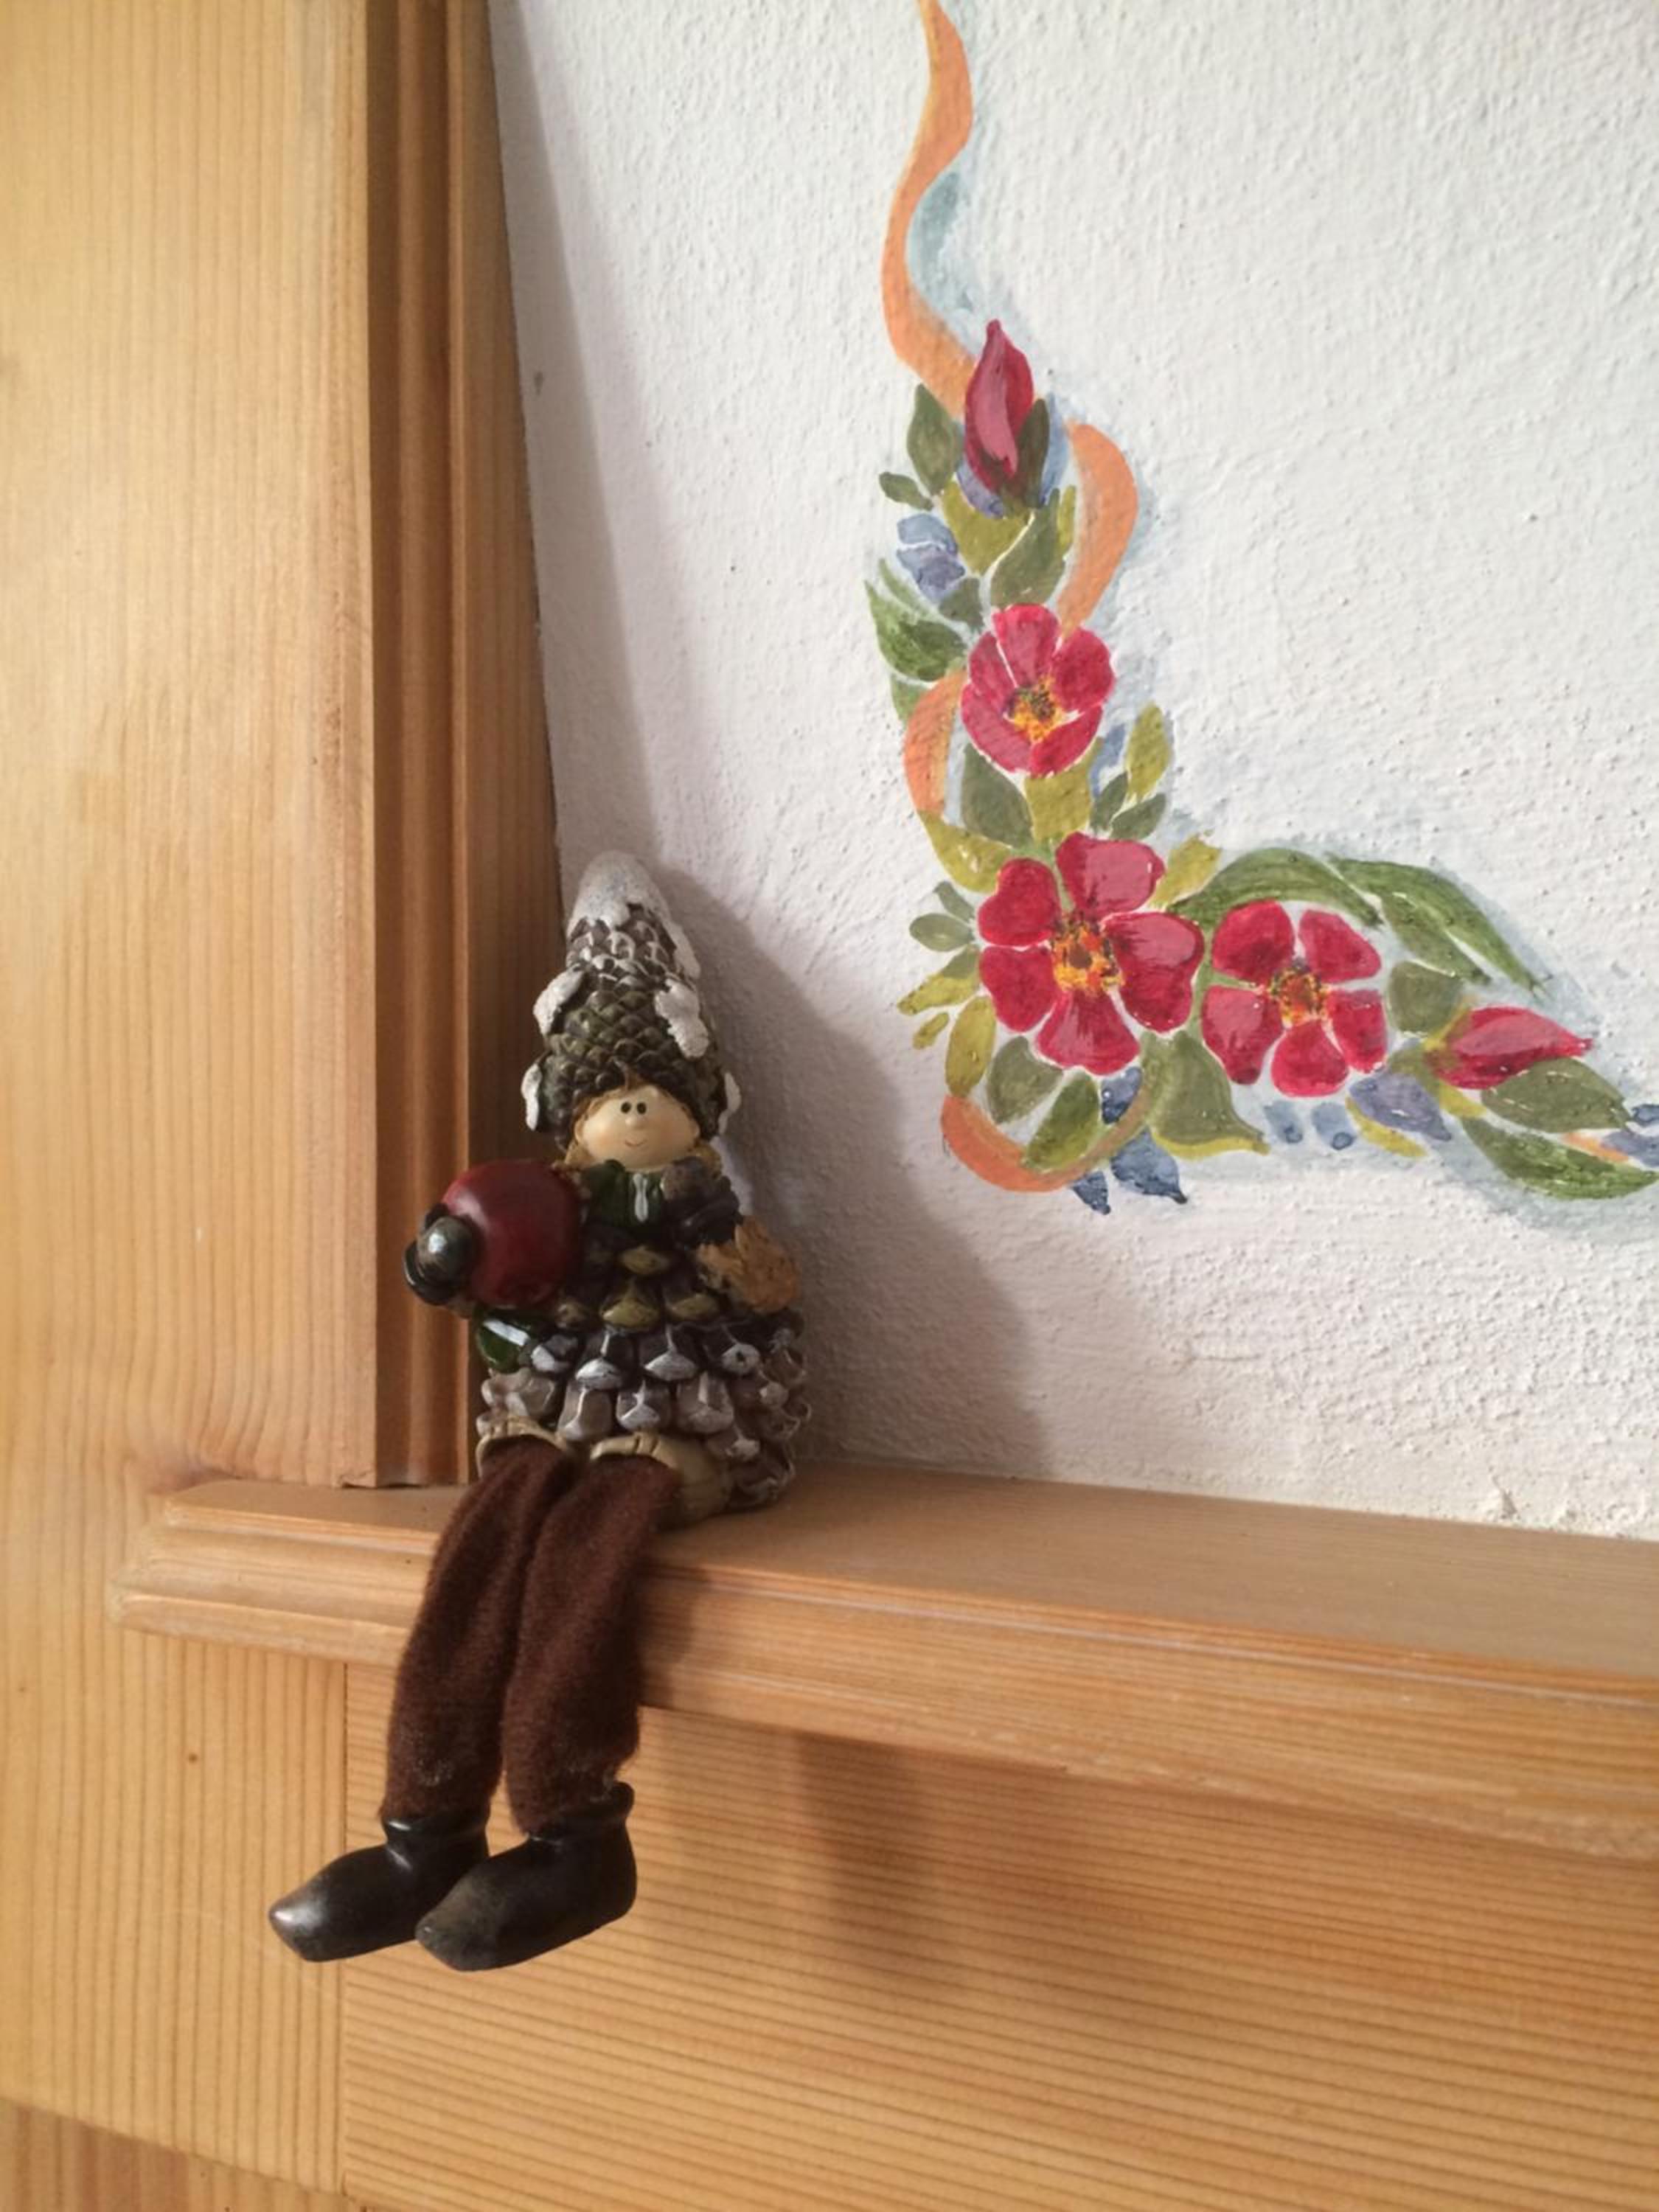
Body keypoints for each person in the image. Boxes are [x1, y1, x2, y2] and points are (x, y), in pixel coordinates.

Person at [269, 855, 806, 1972]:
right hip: (553, 1426)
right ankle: (425, 1831)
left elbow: (764, 1307)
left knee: (586, 1558)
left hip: (669, 1441)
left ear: (696, 1109)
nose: (632, 1110)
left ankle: (575, 1836)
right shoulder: (550, 1218)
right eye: (607, 1096)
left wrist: (724, 1269)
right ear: (571, 1120)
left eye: (653, 1092)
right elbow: (497, 1297)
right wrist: (446, 1266)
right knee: (483, 1546)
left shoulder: (709, 1220)